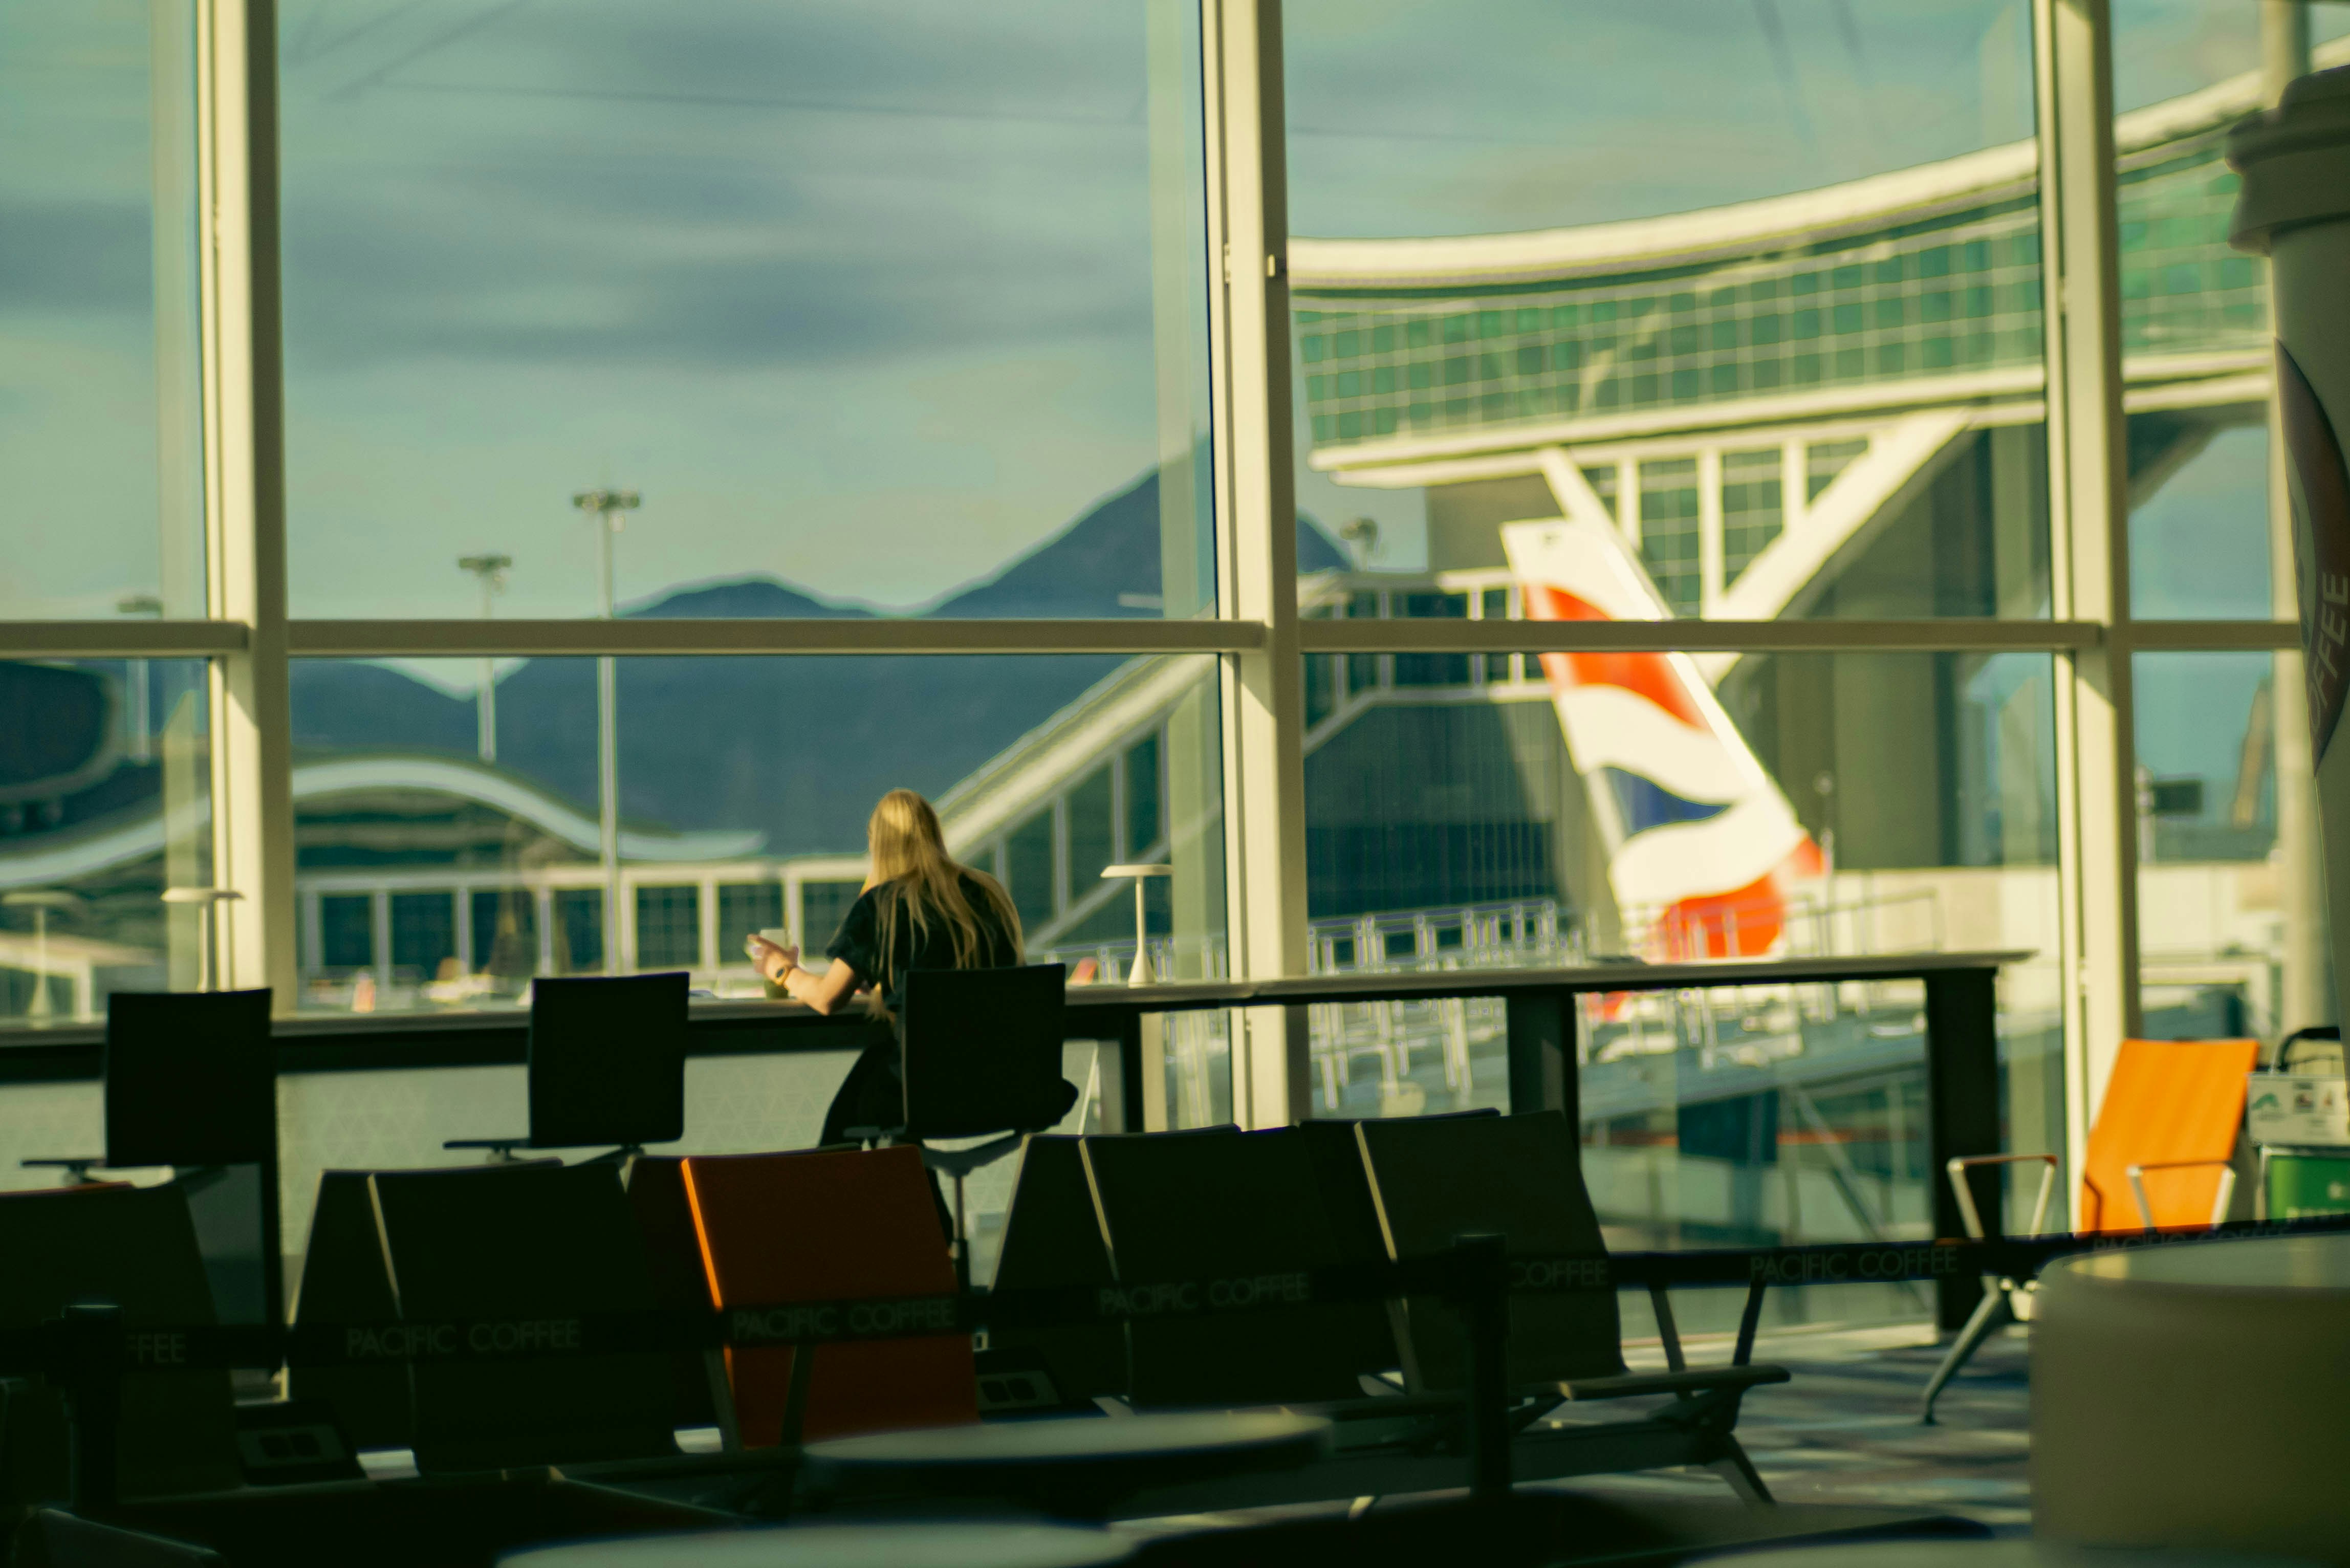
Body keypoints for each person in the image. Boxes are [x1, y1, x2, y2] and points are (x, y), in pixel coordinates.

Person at [750, 788, 1071, 1146]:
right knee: (892, 1096)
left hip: (924, 1092)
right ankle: (927, 1203)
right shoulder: (989, 892)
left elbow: (827, 998)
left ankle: (828, 1195)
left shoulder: (882, 905)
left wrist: (782, 970)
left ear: (880, 845)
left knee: (860, 1111)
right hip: (1012, 1086)